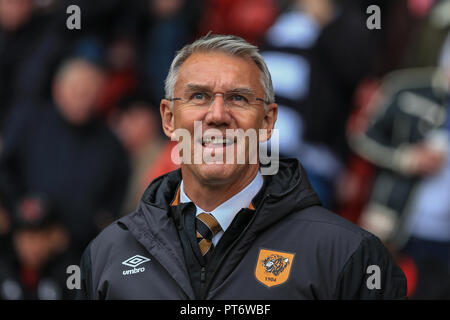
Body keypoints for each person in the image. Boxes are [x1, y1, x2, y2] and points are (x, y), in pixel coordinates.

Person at [77, 34, 406, 300]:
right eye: (199, 96)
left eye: (238, 98)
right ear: (168, 118)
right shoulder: (107, 254)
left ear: (267, 121)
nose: (217, 115)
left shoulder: (347, 255)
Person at [0, 57, 130, 257]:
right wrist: (16, 215)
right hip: (16, 242)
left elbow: (110, 209)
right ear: (57, 89)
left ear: (99, 95)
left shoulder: (111, 146)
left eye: (88, 92)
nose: (81, 98)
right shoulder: (28, 123)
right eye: (75, 89)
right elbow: (6, 170)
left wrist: (68, 234)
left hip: (76, 250)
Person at [0, 194, 77, 300]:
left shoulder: (70, 273)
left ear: (56, 237)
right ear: (15, 238)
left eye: (41, 236)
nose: (34, 247)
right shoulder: (5, 268)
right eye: (27, 237)